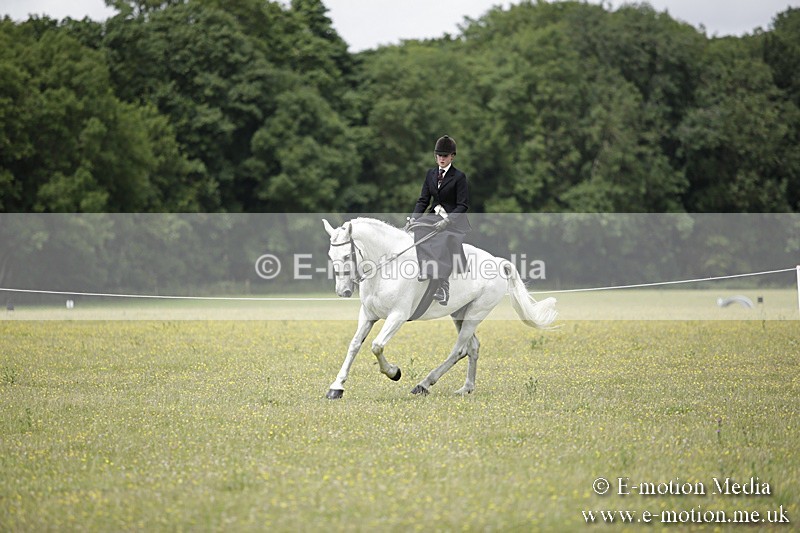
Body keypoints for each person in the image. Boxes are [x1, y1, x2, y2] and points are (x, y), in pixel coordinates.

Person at [408, 134, 470, 305]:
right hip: (433, 216)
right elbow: (423, 200)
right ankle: (424, 269)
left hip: (453, 220)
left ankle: (443, 286)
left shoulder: (459, 177)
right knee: (419, 229)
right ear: (435, 156)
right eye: (439, 155)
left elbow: (463, 205)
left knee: (441, 240)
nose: (442, 159)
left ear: (452, 156)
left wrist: (447, 221)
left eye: (445, 155)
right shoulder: (430, 174)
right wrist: (414, 219)